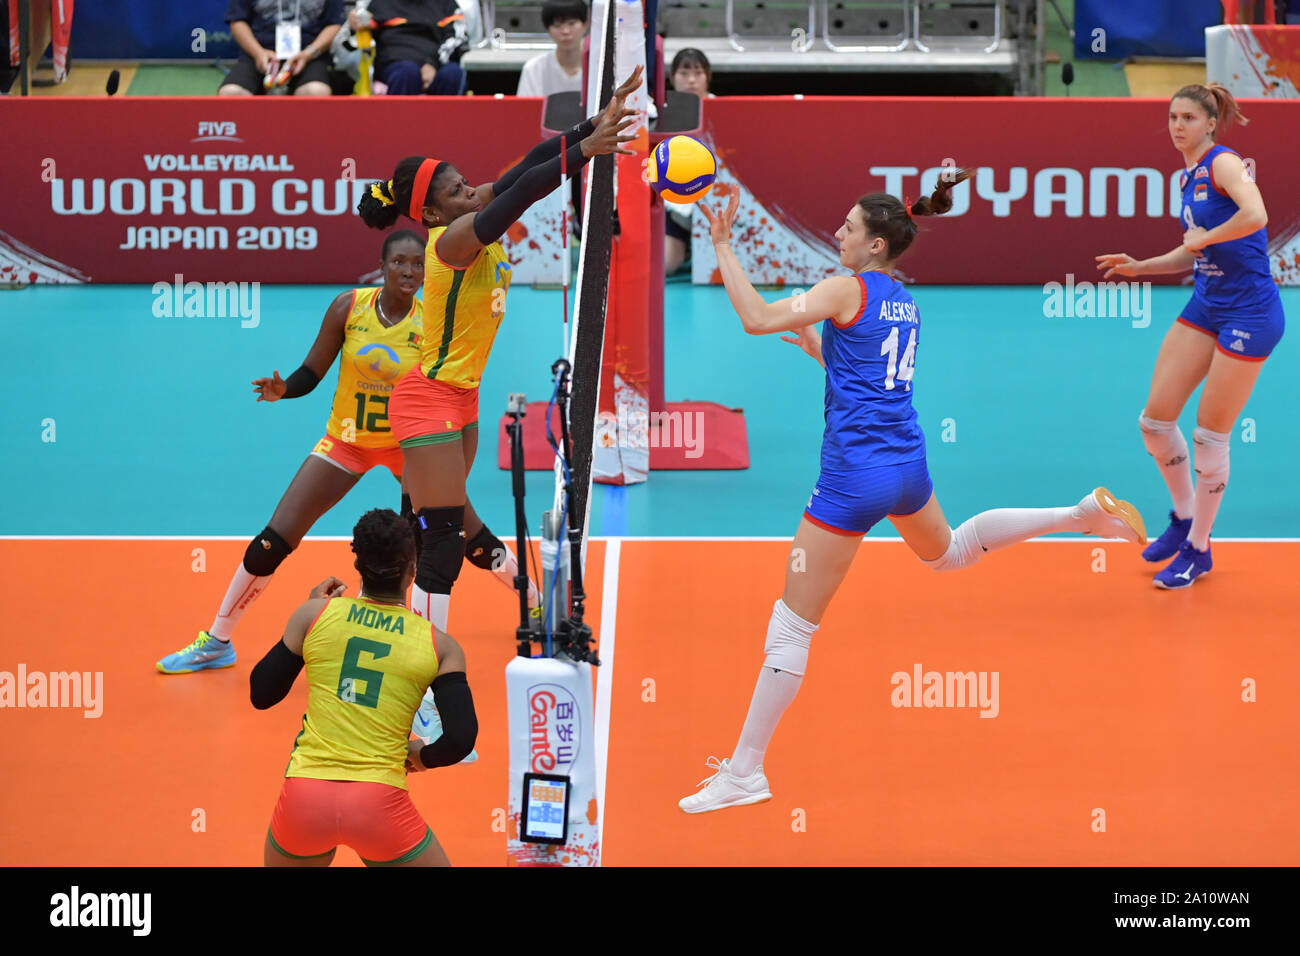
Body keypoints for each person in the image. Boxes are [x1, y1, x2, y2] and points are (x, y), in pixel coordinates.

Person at [678, 179, 1149, 813]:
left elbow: (756, 319)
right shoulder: (903, 300)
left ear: (875, 244)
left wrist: (723, 245)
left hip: (852, 478)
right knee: (949, 553)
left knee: (791, 626)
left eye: (848, 228)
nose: (837, 234)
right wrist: (827, 353)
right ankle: (1079, 514)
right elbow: (874, 379)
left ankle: (745, 772)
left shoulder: (847, 287)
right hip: (906, 464)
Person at [356, 66, 640, 735]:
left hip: (462, 403)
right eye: (456, 190)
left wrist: (584, 130)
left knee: (450, 523)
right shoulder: (451, 242)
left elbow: (520, 170)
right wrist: (583, 154)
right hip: (426, 401)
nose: (471, 189)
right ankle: (417, 690)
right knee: (441, 542)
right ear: (431, 213)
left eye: (465, 182)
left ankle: (529, 595)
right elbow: (519, 198)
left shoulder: (463, 214)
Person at [157, 231, 537, 675]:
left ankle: (534, 601)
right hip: (347, 441)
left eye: (419, 264)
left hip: (412, 448)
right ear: (382, 265)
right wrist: (285, 390)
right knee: (272, 540)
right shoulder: (348, 308)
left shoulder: (434, 319)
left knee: (462, 534)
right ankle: (217, 641)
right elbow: (311, 371)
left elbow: (455, 381)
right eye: (400, 262)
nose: (411, 272)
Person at [1096, 85, 1284, 589]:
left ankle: (1199, 550)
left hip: (1251, 312)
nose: (1177, 125)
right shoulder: (1188, 175)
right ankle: (1182, 518)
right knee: (1155, 422)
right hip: (1207, 303)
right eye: (1172, 116)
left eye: (1188, 118)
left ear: (1209, 124)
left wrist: (1204, 238)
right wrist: (1143, 267)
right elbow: (1192, 252)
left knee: (1209, 436)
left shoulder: (1224, 164)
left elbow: (1256, 214)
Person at [252, 508, 476, 866]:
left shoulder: (315, 615)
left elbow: (262, 694)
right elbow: (461, 740)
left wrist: (312, 609)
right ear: (412, 571)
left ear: (359, 567)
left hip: (304, 799)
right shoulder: (440, 646)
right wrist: (420, 756)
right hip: (380, 805)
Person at [220, 0, 344, 96]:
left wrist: (309, 53)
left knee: (316, 92)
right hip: (259, 53)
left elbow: (334, 24)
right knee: (230, 92)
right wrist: (258, 53)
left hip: (309, 54)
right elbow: (237, 21)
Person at [664, 48, 714, 276]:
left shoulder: (723, 111)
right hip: (674, 204)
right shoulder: (661, 114)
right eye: (684, 73)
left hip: (716, 201)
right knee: (666, 266)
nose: (691, 80)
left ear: (708, 77)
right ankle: (682, 249)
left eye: (698, 72)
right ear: (672, 77)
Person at [351, 0, 470, 96]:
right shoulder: (379, 3)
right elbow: (349, 43)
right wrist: (353, 25)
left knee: (454, 74)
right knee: (407, 71)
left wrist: (432, 64)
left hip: (437, 62)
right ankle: (399, 125)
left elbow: (458, 39)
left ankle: (448, 125)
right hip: (396, 63)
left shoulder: (447, 4)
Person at [515, 0, 588, 98]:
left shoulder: (598, 67)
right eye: (557, 25)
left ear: (585, 25)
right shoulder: (533, 69)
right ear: (547, 29)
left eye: (571, 23)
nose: (565, 31)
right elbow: (525, 109)